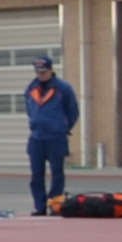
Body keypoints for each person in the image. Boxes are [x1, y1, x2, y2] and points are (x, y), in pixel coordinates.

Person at [22, 53, 80, 212]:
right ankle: (40, 207)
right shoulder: (31, 88)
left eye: (44, 72)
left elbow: (73, 111)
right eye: (38, 72)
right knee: (36, 175)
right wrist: (35, 123)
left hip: (56, 137)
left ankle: (55, 205)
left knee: (57, 173)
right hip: (37, 137)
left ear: (51, 70)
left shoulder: (63, 88)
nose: (41, 75)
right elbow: (30, 109)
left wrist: (63, 127)